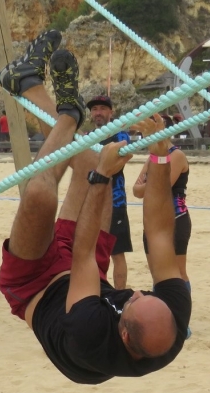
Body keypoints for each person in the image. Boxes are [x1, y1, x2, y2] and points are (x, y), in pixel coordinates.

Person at [0, 33, 191, 384]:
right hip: (87, 276)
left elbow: (83, 256)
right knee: (85, 159)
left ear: (125, 334)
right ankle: (26, 82)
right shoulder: (171, 322)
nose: (134, 291)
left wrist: (104, 174)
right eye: (145, 294)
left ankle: (69, 113)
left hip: (34, 287)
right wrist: (161, 156)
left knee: (40, 196)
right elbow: (161, 234)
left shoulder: (90, 336)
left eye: (132, 302)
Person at [132, 143, 192, 339]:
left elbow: (162, 185)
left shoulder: (177, 155)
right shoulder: (152, 158)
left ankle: (182, 321)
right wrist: (148, 184)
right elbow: (136, 190)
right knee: (157, 274)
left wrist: (148, 182)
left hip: (175, 219)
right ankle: (163, 318)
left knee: (178, 272)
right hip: (152, 221)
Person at [87, 94, 132, 289]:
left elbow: (118, 163)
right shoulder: (89, 138)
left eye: (102, 109)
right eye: (95, 109)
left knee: (116, 254)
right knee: (91, 251)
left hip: (115, 202)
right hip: (92, 201)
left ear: (110, 112)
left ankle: (119, 294)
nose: (98, 112)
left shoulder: (120, 135)